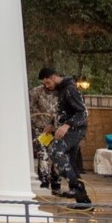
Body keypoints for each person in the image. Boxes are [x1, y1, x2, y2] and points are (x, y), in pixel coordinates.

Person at [38, 67, 91, 207]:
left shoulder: (70, 90)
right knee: (71, 165)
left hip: (74, 130)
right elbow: (61, 113)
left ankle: (75, 188)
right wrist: (52, 125)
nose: (46, 86)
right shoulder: (60, 91)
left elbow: (83, 113)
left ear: (54, 77)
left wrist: (67, 125)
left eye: (47, 82)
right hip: (66, 130)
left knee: (55, 150)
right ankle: (84, 202)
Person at [29, 81, 59, 192]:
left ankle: (56, 184)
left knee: (57, 156)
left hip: (57, 130)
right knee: (43, 155)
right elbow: (30, 108)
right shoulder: (36, 92)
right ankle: (44, 183)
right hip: (42, 130)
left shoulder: (63, 92)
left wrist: (55, 124)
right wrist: (38, 123)